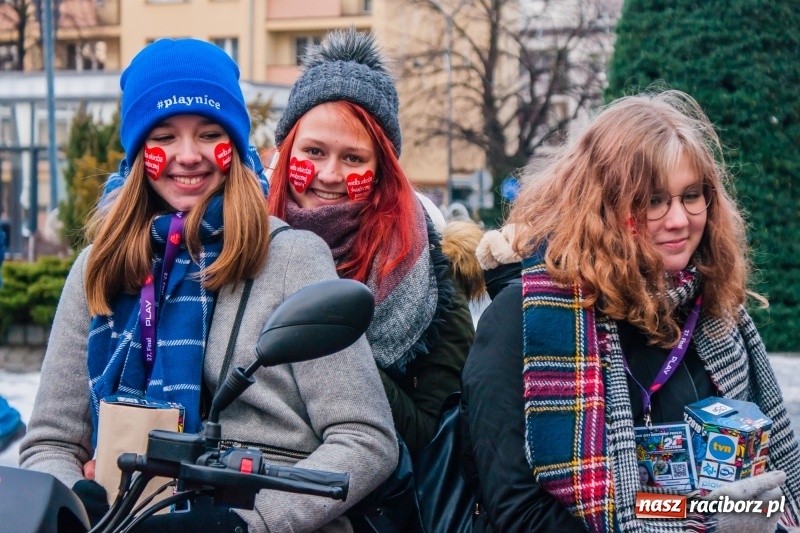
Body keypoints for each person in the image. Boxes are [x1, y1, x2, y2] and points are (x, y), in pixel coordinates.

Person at [18, 38, 398, 533]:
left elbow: (366, 437)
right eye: (163, 137)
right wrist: (80, 508)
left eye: (209, 133)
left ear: (235, 145)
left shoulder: (290, 258)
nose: (189, 155)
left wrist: (246, 523)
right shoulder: (97, 269)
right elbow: (50, 442)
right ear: (137, 152)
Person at [463, 90, 800, 532]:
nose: (679, 219)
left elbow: (761, 480)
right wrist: (702, 527)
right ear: (602, 206)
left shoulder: (717, 313)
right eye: (653, 200)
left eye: (691, 195)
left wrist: (745, 517)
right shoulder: (526, 317)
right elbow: (516, 508)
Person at [267, 28, 481, 456]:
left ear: (381, 170)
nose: (330, 174)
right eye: (313, 151)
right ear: (287, 152)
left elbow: (430, 436)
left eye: (353, 158)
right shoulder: (236, 245)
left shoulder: (430, 283)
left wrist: (335, 344)